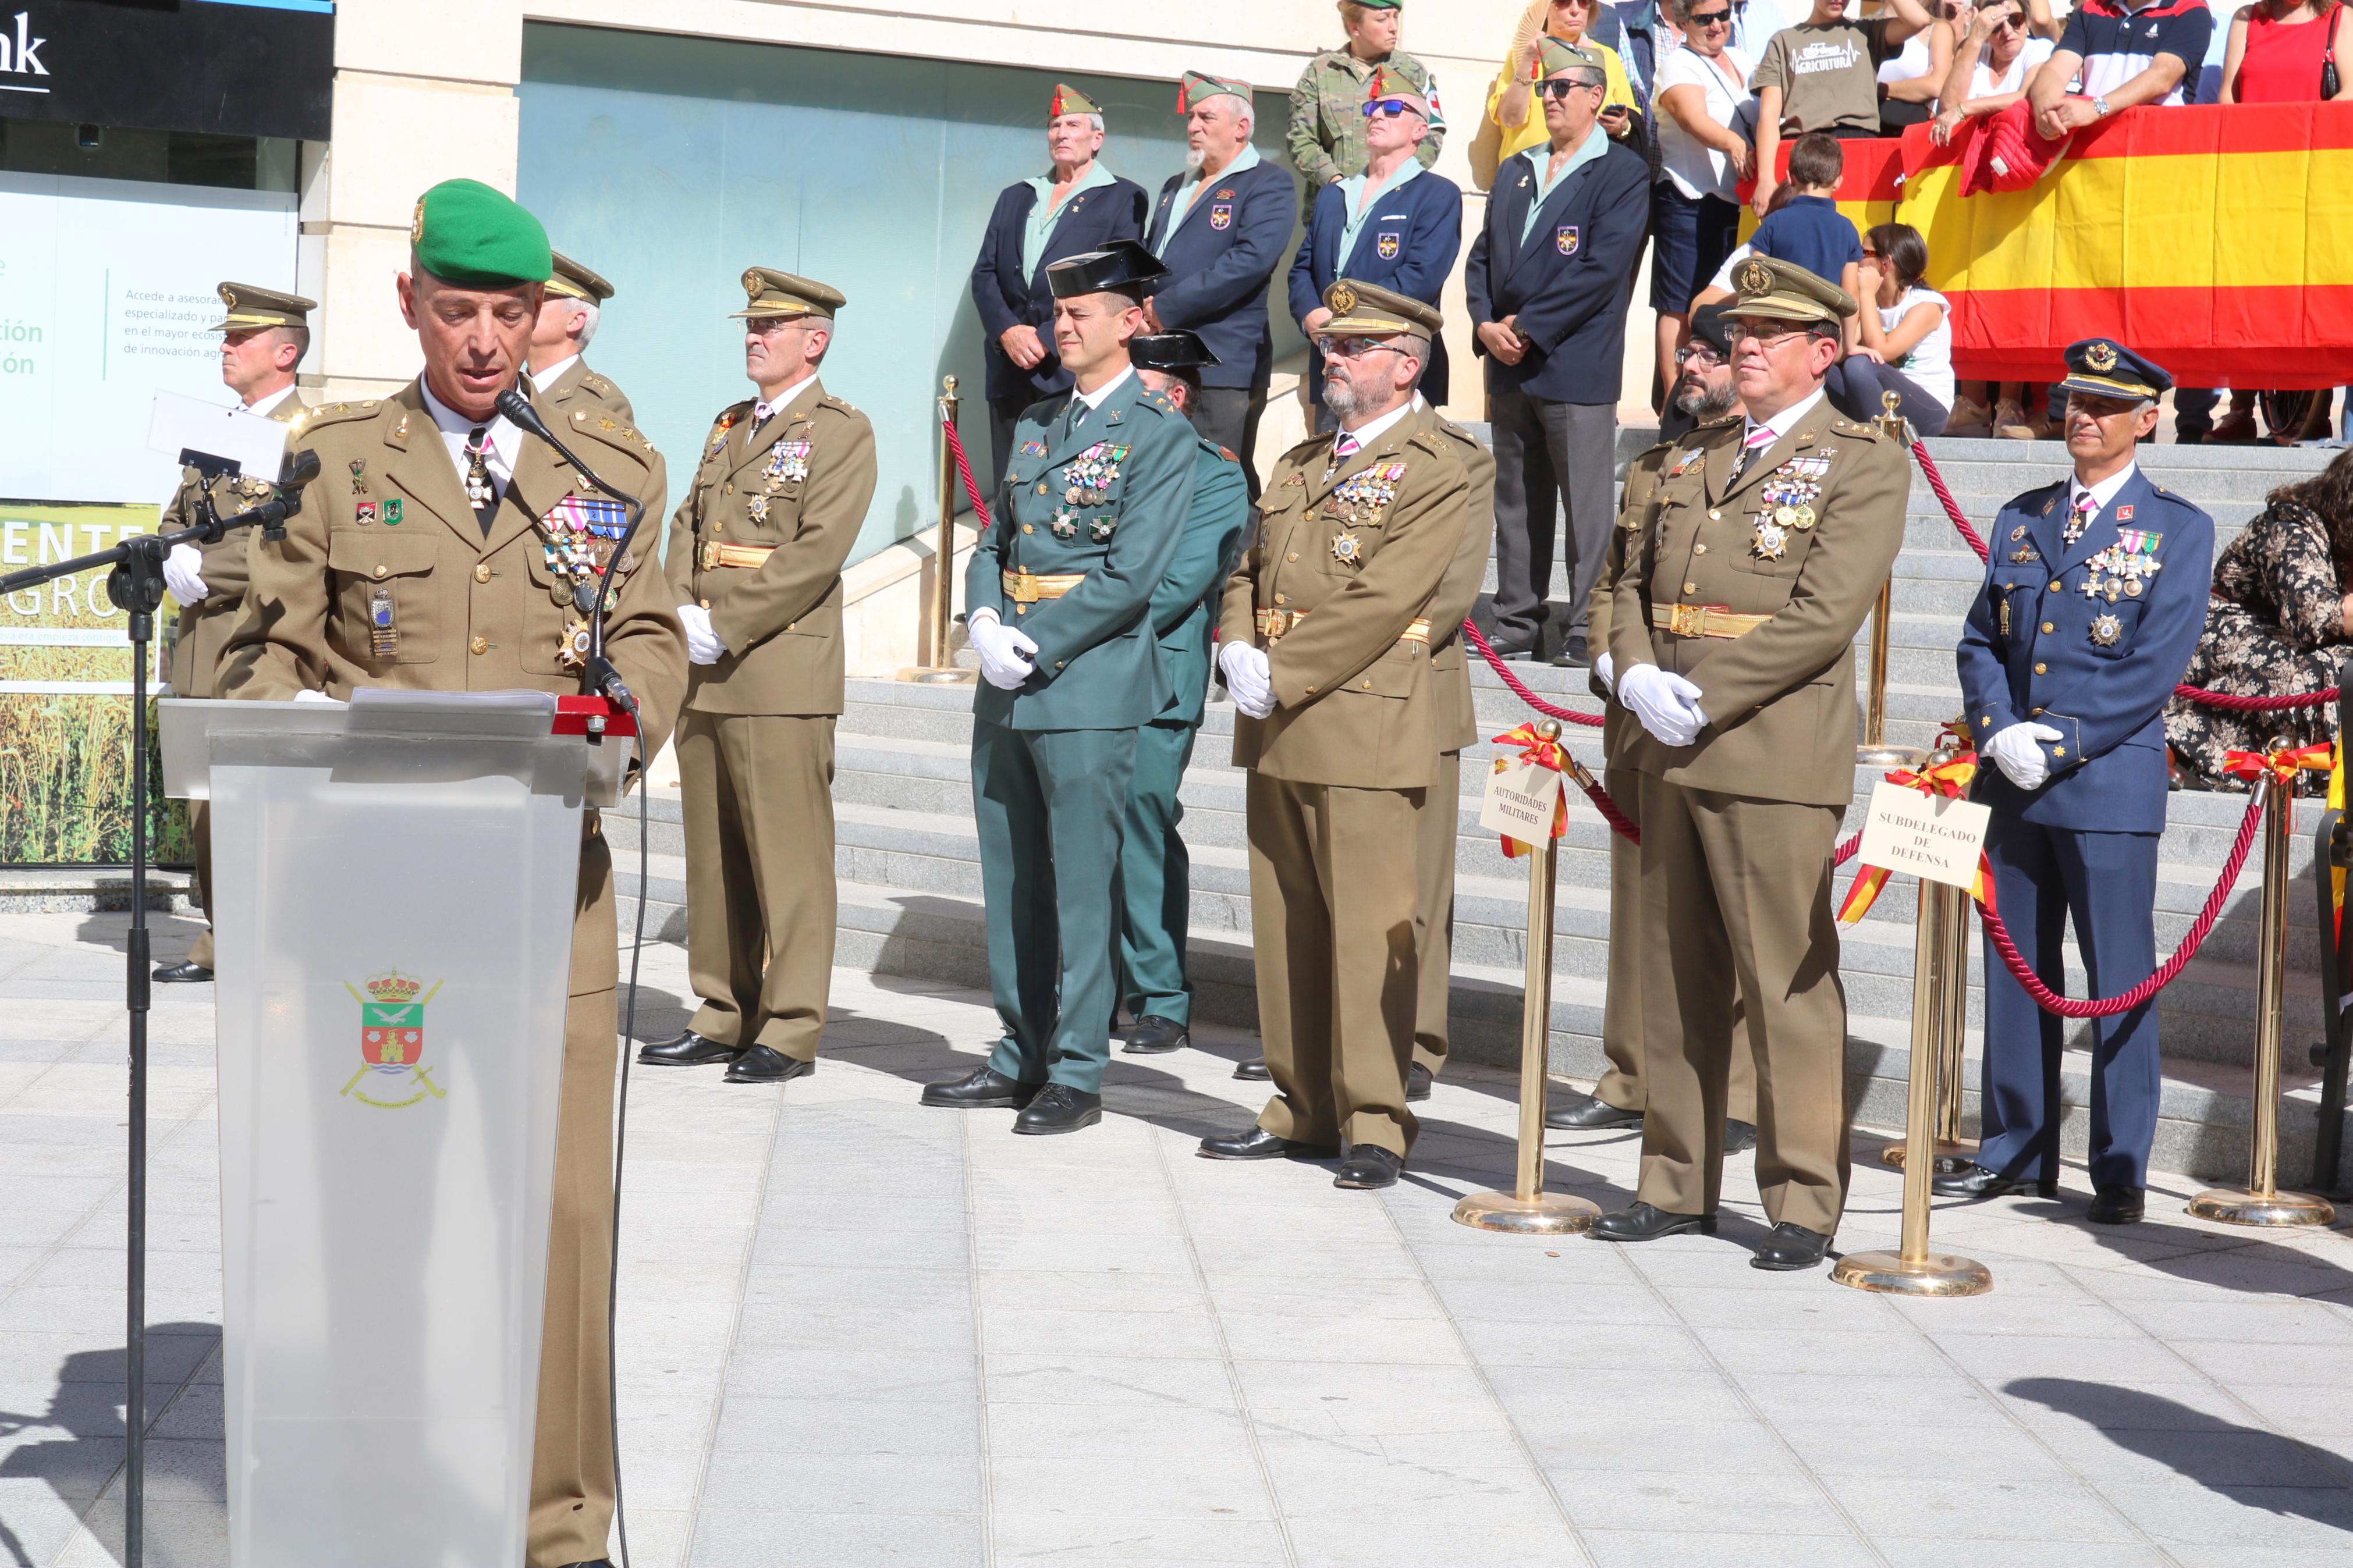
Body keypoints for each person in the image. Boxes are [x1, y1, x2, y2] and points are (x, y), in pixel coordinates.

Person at [218, 177, 685, 1568]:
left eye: (508, 312)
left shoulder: (604, 471)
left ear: (541, 318)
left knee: (558, 1221)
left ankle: (556, 1532)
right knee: (381, 1215)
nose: (483, 340)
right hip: (381, 913)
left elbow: (651, 632)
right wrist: (289, 717)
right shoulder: (334, 461)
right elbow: (263, 644)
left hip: (550, 905)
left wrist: (632, 714)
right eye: (458, 308)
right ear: (410, 303)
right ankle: (389, 1506)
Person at [1593, 255, 1908, 1272]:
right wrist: (1635, 674)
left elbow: (1822, 617)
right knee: (1672, 980)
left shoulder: (1860, 459)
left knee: (1783, 982)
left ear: (1824, 353)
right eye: (1737, 331)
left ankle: (1801, 1197)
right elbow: (1625, 584)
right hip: (1662, 740)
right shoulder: (1686, 458)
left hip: (1766, 749)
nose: (1744, 347)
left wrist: (1703, 696)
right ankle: (1674, 1180)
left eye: (1767, 335)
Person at [1198, 281, 1483, 1191]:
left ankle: (1373, 1117)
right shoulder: (1298, 463)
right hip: (1280, 717)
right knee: (1286, 924)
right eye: (1329, 347)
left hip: (1367, 715)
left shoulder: (1442, 462)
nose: (1333, 359)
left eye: (1354, 349)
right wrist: (1235, 642)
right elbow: (1248, 565)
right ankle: (1299, 1103)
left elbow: (1394, 595)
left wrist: (1277, 667)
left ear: (1405, 365)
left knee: (1369, 927)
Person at [922, 241, 1195, 1135]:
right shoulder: (1039, 425)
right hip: (1007, 677)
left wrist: (1031, 640)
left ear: (1129, 323)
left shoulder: (1157, 435)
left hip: (1087, 681)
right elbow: (995, 542)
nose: (1061, 325)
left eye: (1082, 312)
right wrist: (979, 620)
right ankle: (1018, 1051)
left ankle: (1077, 1067)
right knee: (1011, 877)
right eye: (1057, 311)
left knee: (1080, 884)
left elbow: (1130, 578)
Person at [1946, 340, 2214, 1226]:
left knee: (2115, 977)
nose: (2081, 417)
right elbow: (1980, 638)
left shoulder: (2176, 527)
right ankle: (2014, 1150)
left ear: (2145, 419)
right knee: (2014, 968)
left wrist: (2053, 738)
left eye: (2103, 405)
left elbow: (2150, 665)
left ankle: (2118, 1164)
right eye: (2072, 401)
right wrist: (1994, 726)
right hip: (2010, 779)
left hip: (2101, 782)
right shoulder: (2021, 517)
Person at [639, 269, 876, 1087]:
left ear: (814, 339)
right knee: (713, 855)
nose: (754, 336)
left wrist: (726, 620)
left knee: (788, 857)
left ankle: (791, 1023)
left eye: (772, 325)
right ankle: (721, 1010)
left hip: (778, 668)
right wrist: (676, 613)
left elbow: (815, 551)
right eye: (751, 324)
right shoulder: (728, 425)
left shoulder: (840, 430)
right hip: (703, 667)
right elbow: (687, 525)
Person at [1548, 301, 1759, 1156]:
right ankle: (1632, 1074)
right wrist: (1610, 657)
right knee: (1642, 912)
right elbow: (1612, 581)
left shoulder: (1787, 464)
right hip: (1641, 719)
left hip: (1731, 718)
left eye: (1713, 354)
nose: (1693, 366)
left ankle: (1738, 1091)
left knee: (1737, 912)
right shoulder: (1654, 467)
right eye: (1690, 350)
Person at [1465, 41, 1651, 667]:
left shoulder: (1621, 173)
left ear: (1596, 98)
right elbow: (1482, 258)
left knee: (1586, 504)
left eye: (1562, 87)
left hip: (1573, 358)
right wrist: (1484, 324)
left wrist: (1530, 327)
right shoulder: (1518, 167)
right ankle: (1516, 620)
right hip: (1508, 359)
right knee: (1516, 499)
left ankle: (1584, 626)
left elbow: (1603, 269)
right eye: (1545, 87)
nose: (1548, 96)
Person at [151, 281, 314, 986]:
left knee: (257, 800)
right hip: (199, 641)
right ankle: (225, 930)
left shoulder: (310, 437)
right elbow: (177, 514)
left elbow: (291, 546)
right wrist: (170, 551)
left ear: (284, 352)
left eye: (239, 339)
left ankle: (266, 936)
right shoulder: (220, 430)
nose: (225, 347)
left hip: (257, 638)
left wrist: (204, 565)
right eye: (225, 337)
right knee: (205, 803)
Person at [1115, 329, 1250, 1056]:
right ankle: (1090, 984)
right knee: (1078, 823)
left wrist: (1076, 626)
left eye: (1133, 385)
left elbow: (1180, 581)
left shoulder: (1214, 473)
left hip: (1155, 669)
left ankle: (1159, 992)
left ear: (1174, 394)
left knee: (1141, 817)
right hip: (1082, 669)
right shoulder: (1093, 453)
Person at [970, 84, 1152, 478]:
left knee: (1065, 481)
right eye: (1054, 126)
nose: (1061, 133)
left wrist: (1045, 333)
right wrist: (1008, 331)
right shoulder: (1016, 196)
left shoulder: (1121, 197)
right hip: (1009, 363)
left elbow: (1114, 281)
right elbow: (984, 273)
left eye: (1072, 124)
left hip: (1071, 362)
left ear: (1097, 138)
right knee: (1010, 478)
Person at [2195, 0, 2353, 443]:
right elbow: (2227, 93)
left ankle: (2308, 409)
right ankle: (2240, 408)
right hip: (2252, 176)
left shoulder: (2340, 18)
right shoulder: (2246, 19)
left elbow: (2348, 93)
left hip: (2311, 175)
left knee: (2309, 290)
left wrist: (2293, 133)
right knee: (2245, 292)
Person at [1141, 73, 1296, 497]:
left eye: (1206, 117)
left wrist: (1165, 309)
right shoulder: (1176, 186)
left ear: (1240, 128)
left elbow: (1249, 262)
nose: (1193, 126)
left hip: (1221, 359)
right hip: (1162, 357)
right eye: (1191, 117)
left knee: (1221, 480)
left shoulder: (1268, 182)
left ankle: (1240, 566)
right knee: (1165, 478)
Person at [1287, 66, 1464, 428]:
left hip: (1393, 370)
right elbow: (1302, 270)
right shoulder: (1334, 195)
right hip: (1331, 364)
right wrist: (1312, 318)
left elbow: (1419, 278)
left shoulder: (1436, 194)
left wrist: (1345, 321)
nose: (1378, 115)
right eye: (1372, 109)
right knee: (1329, 474)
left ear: (1420, 130)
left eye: (1394, 109)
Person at [2166, 452, 2353, 784]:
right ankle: (2182, 746)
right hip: (2226, 634)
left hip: (2289, 636)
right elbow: (2316, 617)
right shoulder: (2291, 525)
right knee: (2317, 671)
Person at [1648, 0, 1754, 402]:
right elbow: (1692, 118)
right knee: (1678, 306)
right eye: (1703, 18)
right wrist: (1732, 143)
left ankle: (1722, 400)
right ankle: (1675, 409)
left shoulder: (1744, 60)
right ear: (1680, 20)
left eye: (1723, 16)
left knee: (1730, 304)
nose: (1715, 26)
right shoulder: (1677, 64)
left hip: (1738, 205)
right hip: (1688, 199)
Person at [1751, 0, 1937, 216]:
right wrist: (1765, 179)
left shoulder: (1866, 30)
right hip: (1803, 150)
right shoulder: (1783, 41)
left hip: (1858, 146)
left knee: (1857, 237)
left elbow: (1920, 20)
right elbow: (1769, 116)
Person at [1288, 0, 1447, 221]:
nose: (1393, 27)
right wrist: (1336, 182)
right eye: (1382, 19)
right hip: (1334, 211)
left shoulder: (1412, 72)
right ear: (1355, 27)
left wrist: (1391, 183)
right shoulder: (1322, 71)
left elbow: (1432, 136)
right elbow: (1301, 140)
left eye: (1395, 17)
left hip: (1392, 208)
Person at [1483, 0, 1647, 172]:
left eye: (1584, 2)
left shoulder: (1608, 58)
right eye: (1564, 2)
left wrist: (1622, 126)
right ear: (1545, 7)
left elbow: (1631, 118)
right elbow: (1510, 119)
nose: (1575, 10)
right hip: (1527, 173)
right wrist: (1527, 63)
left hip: (1588, 177)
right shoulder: (1526, 53)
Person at [1743, 132, 1864, 350]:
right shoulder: (1847, 230)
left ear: (1790, 178)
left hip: (1778, 333)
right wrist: (1849, 347)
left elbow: (1755, 283)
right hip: (1824, 334)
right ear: (1837, 182)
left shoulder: (1773, 223)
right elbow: (1850, 295)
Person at [1846, 221, 1953, 436]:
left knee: (1858, 366)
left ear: (1885, 263)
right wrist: (1858, 297)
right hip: (1880, 398)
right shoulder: (1871, 301)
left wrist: (1866, 293)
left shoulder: (1927, 305)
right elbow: (1841, 353)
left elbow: (1881, 351)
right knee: (1825, 370)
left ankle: (1876, 444)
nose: (1857, 259)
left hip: (1927, 407)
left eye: (1863, 252)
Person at [527, 251, 636, 425]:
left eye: (541, 300)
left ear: (575, 321)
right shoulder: (500, 390)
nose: (522, 308)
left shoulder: (604, 405)